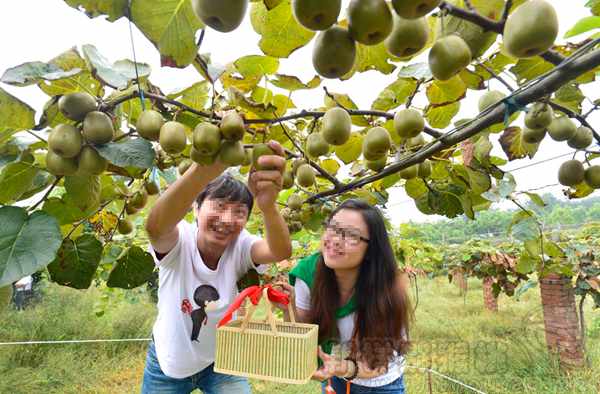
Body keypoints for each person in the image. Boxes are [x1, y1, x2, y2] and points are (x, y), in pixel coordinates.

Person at [141, 140, 292, 394]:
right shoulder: (180, 241)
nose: (227, 219)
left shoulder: (242, 245)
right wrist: (207, 167)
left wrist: (267, 207)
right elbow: (156, 227)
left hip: (222, 360)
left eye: (239, 212)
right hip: (169, 363)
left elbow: (279, 251)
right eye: (219, 206)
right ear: (196, 208)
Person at [283, 199, 412, 393]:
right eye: (333, 228)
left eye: (351, 235)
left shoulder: (387, 290)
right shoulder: (308, 273)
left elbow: (378, 365)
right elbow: (301, 329)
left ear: (370, 249)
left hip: (381, 383)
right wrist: (288, 307)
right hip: (337, 379)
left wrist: (340, 367)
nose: (335, 239)